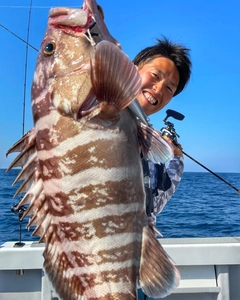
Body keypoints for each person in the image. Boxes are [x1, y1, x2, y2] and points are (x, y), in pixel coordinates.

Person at [134, 37, 192, 300]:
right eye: (155, 76)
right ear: (132, 68)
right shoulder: (101, 113)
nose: (159, 89)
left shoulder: (148, 139)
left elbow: (152, 205)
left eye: (170, 88)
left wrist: (175, 159)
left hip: (138, 271)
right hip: (94, 266)